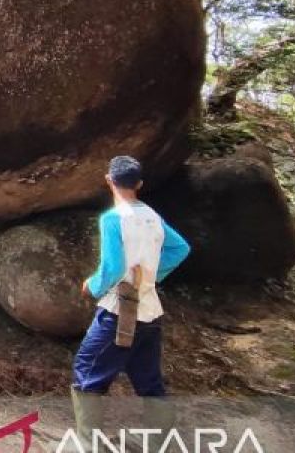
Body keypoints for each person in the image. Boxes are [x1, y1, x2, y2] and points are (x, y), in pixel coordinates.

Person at [71, 156, 191, 447]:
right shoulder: (152, 216)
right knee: (149, 381)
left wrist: (93, 286)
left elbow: (112, 268)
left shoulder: (113, 218)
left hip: (118, 312)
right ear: (139, 184)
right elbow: (181, 249)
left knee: (86, 372)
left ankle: (88, 444)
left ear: (109, 180)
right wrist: (151, 275)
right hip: (150, 312)